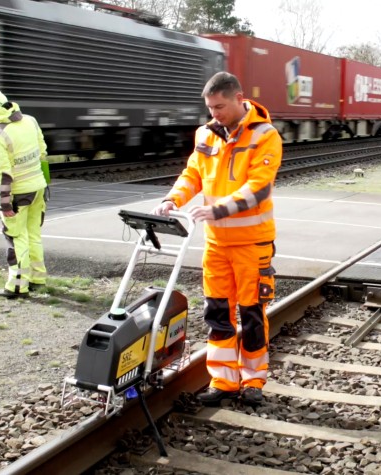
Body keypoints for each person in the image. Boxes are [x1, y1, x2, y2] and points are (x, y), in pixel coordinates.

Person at [152, 71, 282, 407]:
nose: (214, 114)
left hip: (252, 244)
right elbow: (193, 174)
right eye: (210, 108)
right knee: (218, 314)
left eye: (220, 107)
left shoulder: (265, 135)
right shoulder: (206, 134)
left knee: (252, 315)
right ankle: (223, 381)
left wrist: (218, 210)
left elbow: (258, 188)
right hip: (217, 245)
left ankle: (253, 381)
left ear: (239, 99)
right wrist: (172, 199)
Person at [0, 88, 49, 299]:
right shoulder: (30, 121)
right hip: (38, 188)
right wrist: (45, 183)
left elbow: (3, 174)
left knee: (16, 238)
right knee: (33, 235)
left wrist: (5, 204)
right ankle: (38, 278)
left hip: (18, 194)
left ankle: (18, 286)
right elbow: (43, 153)